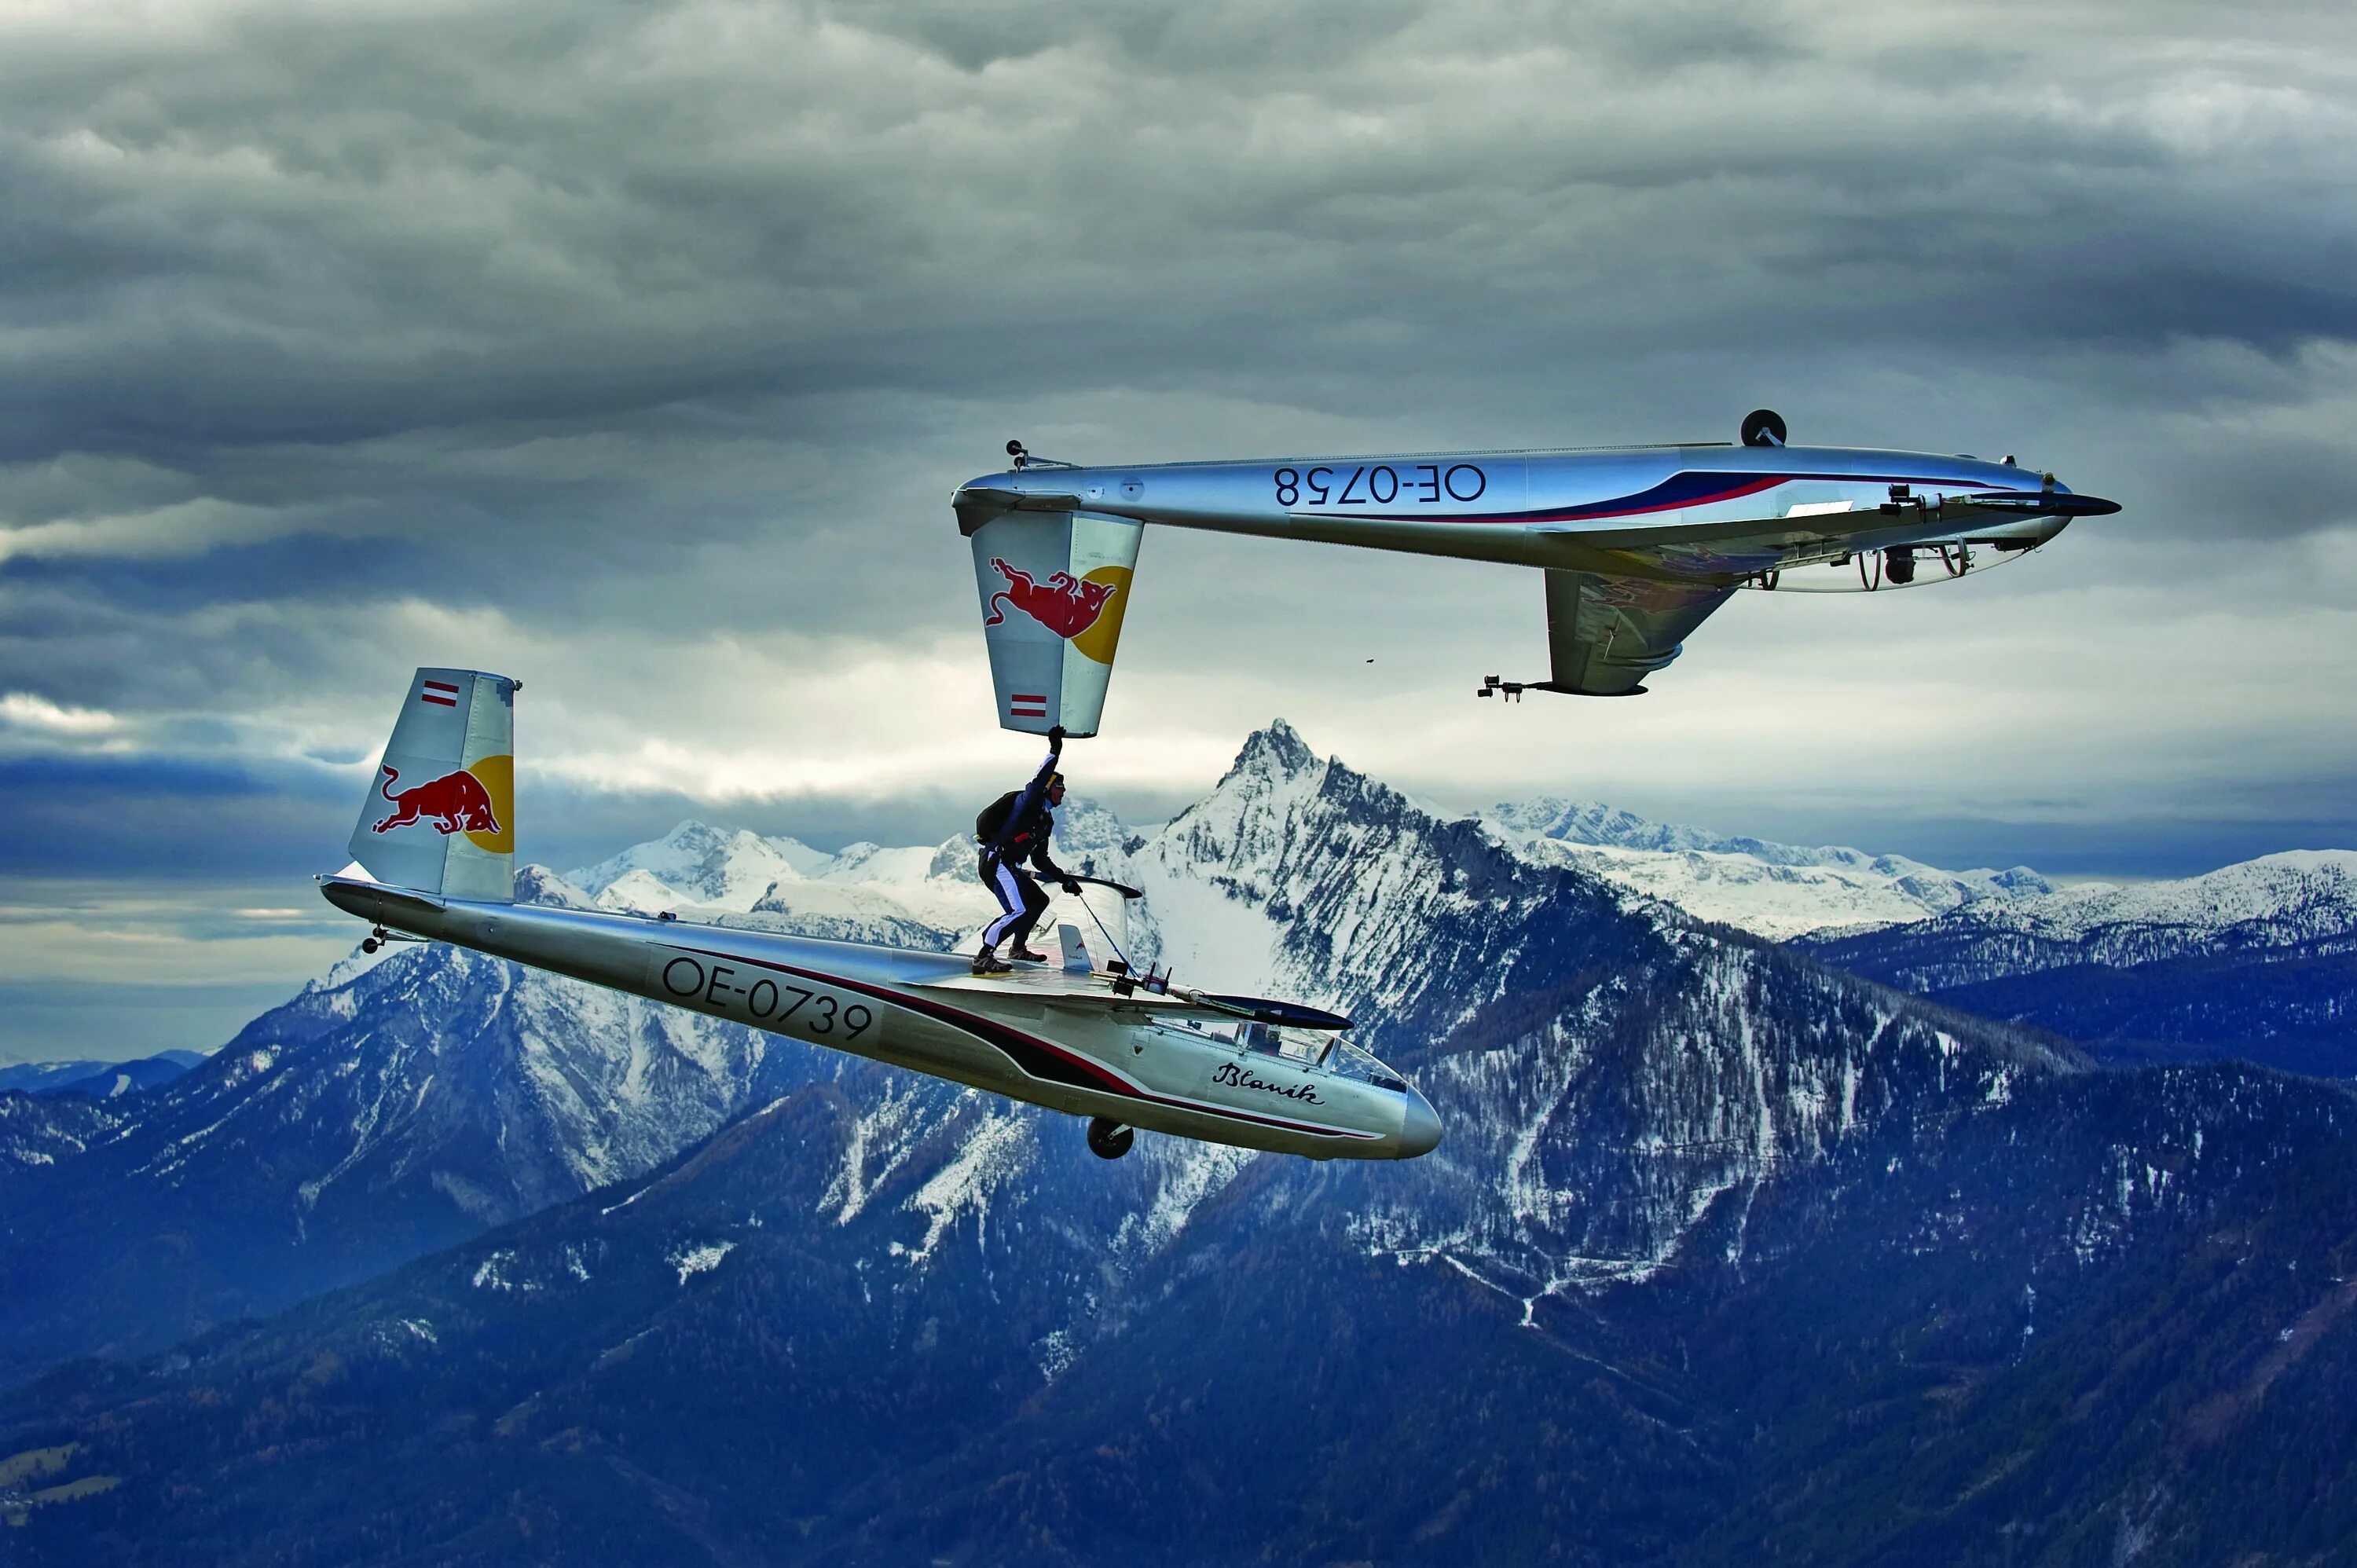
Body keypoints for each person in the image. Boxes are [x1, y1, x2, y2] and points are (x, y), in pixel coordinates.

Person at [972, 726, 1083, 975]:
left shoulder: (1045, 820)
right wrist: (1055, 750)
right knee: (1017, 910)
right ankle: (983, 957)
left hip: (1008, 866)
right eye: (1059, 786)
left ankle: (1018, 948)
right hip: (996, 862)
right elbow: (1038, 780)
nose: (1063, 791)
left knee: (1038, 900)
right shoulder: (1029, 803)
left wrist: (1064, 880)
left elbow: (1040, 859)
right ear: (1048, 789)